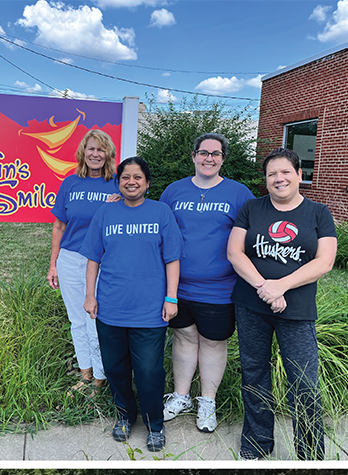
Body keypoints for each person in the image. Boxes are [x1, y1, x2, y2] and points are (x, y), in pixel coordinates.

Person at [228, 147, 336, 460]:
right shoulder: (252, 208)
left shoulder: (318, 213)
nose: (279, 178)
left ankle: (311, 453)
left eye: (286, 172)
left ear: (299, 175)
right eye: (272, 173)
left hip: (298, 312)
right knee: (254, 373)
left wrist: (281, 287)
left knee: (304, 382)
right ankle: (257, 443)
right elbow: (236, 253)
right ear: (266, 179)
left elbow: (325, 262)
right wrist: (264, 288)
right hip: (251, 306)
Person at [83, 156, 183, 452]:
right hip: (110, 308)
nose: (131, 182)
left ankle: (155, 424)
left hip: (150, 310)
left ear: (147, 183)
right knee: (115, 368)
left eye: (138, 177)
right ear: (119, 181)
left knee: (149, 371)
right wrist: (90, 295)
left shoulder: (162, 213)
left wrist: (171, 297)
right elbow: (93, 259)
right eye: (125, 177)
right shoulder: (105, 214)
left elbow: (172, 259)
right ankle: (125, 416)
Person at [159, 134, 254, 433]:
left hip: (220, 288)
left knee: (213, 342)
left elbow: (253, 234)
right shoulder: (174, 191)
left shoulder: (239, 194)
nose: (209, 158)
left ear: (224, 158)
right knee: (184, 338)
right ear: (193, 156)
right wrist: (118, 200)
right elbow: (157, 225)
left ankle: (207, 402)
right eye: (203, 152)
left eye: (216, 153)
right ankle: (181, 396)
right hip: (178, 287)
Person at [49, 130, 118, 395]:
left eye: (101, 150)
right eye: (91, 149)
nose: (95, 154)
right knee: (77, 319)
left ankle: (101, 377)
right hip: (70, 259)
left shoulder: (116, 184)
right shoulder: (70, 183)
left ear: (108, 153)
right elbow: (59, 226)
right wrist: (53, 264)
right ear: (83, 152)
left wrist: (119, 203)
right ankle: (85, 373)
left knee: (95, 318)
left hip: (101, 262)